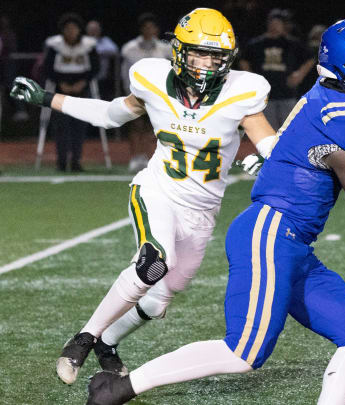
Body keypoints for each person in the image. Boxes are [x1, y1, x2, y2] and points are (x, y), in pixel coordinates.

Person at [80, 17, 345, 405]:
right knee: (244, 352)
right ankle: (119, 387)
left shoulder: (329, 96)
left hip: (293, 241)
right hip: (272, 232)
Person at [11, 7, 277, 386]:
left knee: (157, 301)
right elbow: (109, 114)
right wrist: (47, 98)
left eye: (216, 56)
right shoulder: (151, 79)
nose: (207, 64)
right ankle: (83, 339)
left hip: (202, 210)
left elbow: (270, 144)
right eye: (200, 53)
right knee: (154, 261)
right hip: (158, 191)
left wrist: (264, 159)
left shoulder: (243, 90)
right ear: (180, 52)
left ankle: (108, 343)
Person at [239, 8, 315, 130]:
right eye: (272, 23)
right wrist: (252, 78)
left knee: (290, 129)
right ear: (268, 24)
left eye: (278, 23)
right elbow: (243, 59)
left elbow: (311, 58)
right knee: (268, 131)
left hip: (287, 92)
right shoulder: (257, 43)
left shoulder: (291, 43)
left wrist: (299, 75)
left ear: (283, 25)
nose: (275, 26)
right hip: (265, 95)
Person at [43, 13, 99, 172]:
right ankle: (61, 162)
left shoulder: (88, 45)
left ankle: (76, 161)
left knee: (79, 126)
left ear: (79, 30)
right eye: (67, 29)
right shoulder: (55, 45)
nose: (71, 32)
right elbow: (47, 68)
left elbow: (95, 68)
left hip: (81, 89)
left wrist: (83, 82)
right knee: (61, 126)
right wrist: (61, 83)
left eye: (74, 29)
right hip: (60, 90)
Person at [120, 12, 172, 173]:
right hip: (136, 94)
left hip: (159, 96)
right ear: (141, 29)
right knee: (136, 127)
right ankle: (135, 158)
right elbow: (124, 73)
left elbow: (172, 72)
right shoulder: (130, 49)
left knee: (153, 128)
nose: (149, 30)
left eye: (152, 27)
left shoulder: (165, 49)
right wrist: (127, 92)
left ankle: (151, 159)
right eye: (145, 27)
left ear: (156, 29)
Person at [85, 20, 118, 100]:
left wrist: (93, 50)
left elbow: (114, 50)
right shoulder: (83, 41)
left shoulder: (105, 40)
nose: (93, 32)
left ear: (100, 30)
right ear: (86, 30)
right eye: (91, 29)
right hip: (86, 80)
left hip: (102, 80)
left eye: (95, 29)